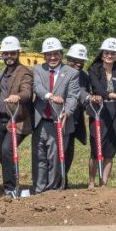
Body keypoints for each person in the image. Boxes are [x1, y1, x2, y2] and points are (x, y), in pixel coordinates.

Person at [32, 37, 81, 192]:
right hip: (41, 120)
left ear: (61, 54)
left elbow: (73, 95)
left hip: (59, 121)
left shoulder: (71, 73)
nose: (52, 57)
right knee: (39, 156)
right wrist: (50, 96)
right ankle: (39, 189)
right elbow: (38, 87)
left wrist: (67, 111)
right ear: (44, 56)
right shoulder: (38, 69)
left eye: (55, 54)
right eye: (48, 54)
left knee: (55, 157)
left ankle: (52, 190)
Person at [87, 38, 116, 186]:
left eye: (113, 53)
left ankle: (103, 183)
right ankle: (91, 182)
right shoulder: (94, 70)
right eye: (106, 53)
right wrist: (114, 95)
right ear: (101, 54)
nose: (109, 56)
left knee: (109, 152)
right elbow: (98, 89)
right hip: (99, 112)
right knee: (95, 150)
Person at [0, 36, 33, 196]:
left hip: (16, 120)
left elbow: (27, 91)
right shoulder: (3, 72)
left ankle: (11, 188)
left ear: (18, 53)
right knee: (2, 154)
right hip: (1, 119)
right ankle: (8, 185)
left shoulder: (24, 72)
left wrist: (18, 97)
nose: (9, 57)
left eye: (12, 53)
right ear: (2, 54)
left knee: (7, 150)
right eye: (6, 54)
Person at [63, 44, 90, 186]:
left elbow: (84, 92)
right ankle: (57, 179)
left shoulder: (84, 76)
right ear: (68, 59)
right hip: (61, 116)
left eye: (81, 61)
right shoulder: (61, 72)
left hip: (75, 119)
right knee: (60, 148)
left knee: (69, 151)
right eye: (75, 60)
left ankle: (64, 177)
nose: (78, 64)